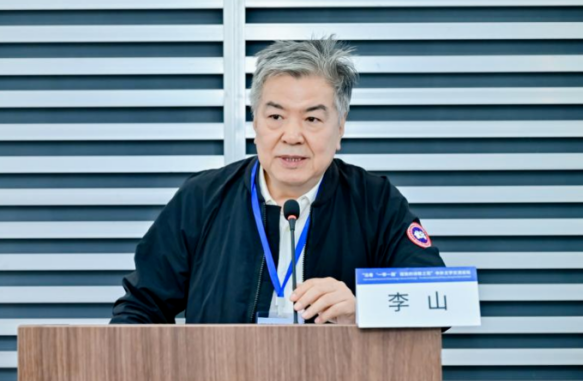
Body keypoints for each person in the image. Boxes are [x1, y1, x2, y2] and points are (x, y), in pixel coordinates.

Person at [110, 37, 445, 325]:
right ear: (255, 122)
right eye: (276, 116)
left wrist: (364, 309)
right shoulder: (202, 198)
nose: (292, 135)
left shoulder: (375, 202)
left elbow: (440, 300)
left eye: (312, 119)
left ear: (340, 127)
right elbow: (139, 308)